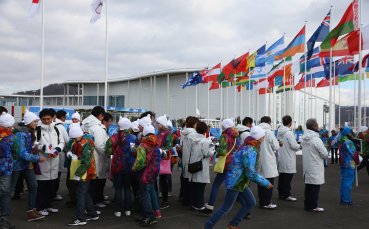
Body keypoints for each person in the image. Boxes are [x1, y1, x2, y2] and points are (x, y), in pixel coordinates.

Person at [204, 126, 273, 229]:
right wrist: (265, 183)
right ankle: (208, 226)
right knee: (226, 207)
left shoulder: (246, 146)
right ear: (258, 138)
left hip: (238, 180)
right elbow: (251, 172)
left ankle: (233, 224)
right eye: (263, 137)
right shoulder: (250, 150)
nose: (264, 139)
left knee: (250, 203)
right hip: (237, 181)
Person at [10, 111, 46, 221]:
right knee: (9, 190)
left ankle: (31, 211)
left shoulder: (28, 132)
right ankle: (3, 214)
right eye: (35, 121)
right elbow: (22, 153)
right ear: (29, 122)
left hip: (26, 165)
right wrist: (37, 158)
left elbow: (25, 150)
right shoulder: (21, 134)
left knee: (33, 186)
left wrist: (36, 149)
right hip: (17, 165)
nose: (36, 123)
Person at [66, 123, 99, 226]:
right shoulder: (77, 140)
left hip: (85, 172)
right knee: (84, 192)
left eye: (74, 138)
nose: (73, 140)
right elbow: (67, 147)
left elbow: (86, 162)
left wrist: (77, 174)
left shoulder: (86, 144)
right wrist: (69, 153)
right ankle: (92, 214)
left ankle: (80, 218)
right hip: (84, 171)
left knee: (80, 194)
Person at [35, 109, 65, 216]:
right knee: (42, 187)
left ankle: (48, 205)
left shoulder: (56, 129)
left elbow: (62, 142)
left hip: (54, 161)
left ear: (52, 118)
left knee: (51, 187)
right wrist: (44, 148)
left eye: (48, 118)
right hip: (43, 162)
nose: (47, 121)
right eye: (44, 119)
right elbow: (34, 144)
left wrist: (57, 149)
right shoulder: (37, 130)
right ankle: (40, 207)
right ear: (40, 119)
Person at [205, 119, 239, 212]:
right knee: (233, 185)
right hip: (234, 163)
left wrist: (217, 150)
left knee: (216, 185)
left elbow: (223, 151)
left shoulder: (224, 136)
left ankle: (210, 205)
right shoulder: (236, 136)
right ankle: (246, 208)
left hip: (225, 163)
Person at [106, 117, 136, 217]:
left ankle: (118, 211)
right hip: (129, 166)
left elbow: (108, 151)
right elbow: (134, 152)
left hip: (117, 166)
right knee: (127, 188)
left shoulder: (113, 137)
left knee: (118, 189)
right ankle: (128, 210)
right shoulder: (133, 138)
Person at [132, 124, 160, 226]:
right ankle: (145, 215)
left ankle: (150, 217)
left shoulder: (143, 145)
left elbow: (140, 161)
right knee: (145, 193)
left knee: (144, 195)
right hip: (154, 172)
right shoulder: (156, 143)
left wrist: (133, 168)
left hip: (145, 173)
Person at [82, 106, 109, 209]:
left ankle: (91, 203)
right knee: (94, 182)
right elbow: (99, 144)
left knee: (89, 183)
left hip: (86, 156)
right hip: (96, 157)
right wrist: (106, 153)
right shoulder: (97, 127)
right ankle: (93, 204)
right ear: (100, 116)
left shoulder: (84, 124)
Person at [301, 119, 328, 212]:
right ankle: (313, 206)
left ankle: (307, 205)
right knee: (315, 188)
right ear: (314, 127)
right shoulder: (316, 139)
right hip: (315, 166)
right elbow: (325, 154)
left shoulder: (303, 138)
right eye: (317, 125)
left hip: (307, 166)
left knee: (308, 187)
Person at [188, 122, 214, 214]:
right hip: (201, 166)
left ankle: (194, 204)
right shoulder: (206, 141)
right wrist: (213, 150)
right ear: (205, 130)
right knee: (200, 187)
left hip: (194, 164)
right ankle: (199, 206)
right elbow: (207, 153)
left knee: (195, 186)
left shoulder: (194, 140)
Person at [256, 116, 280, 209]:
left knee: (260, 181)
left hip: (258, 159)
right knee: (269, 182)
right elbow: (276, 147)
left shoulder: (256, 131)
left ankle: (262, 201)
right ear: (269, 122)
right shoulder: (269, 132)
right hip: (268, 160)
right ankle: (266, 203)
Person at [277, 115, 301, 202]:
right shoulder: (289, 133)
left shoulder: (279, 132)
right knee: (287, 178)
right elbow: (294, 146)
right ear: (290, 123)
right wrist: (300, 146)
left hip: (281, 156)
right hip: (289, 157)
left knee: (282, 177)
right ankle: (286, 194)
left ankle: (281, 194)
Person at [0, 112, 17, 229]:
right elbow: (16, 152)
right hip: (5, 168)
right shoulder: (11, 137)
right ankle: (3, 220)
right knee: (5, 193)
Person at [156, 115, 175, 210]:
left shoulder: (167, 134)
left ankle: (165, 200)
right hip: (159, 158)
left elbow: (169, 147)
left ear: (163, 124)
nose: (156, 124)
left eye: (158, 123)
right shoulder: (159, 133)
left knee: (163, 179)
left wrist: (160, 150)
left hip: (164, 159)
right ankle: (162, 199)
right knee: (161, 180)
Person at [180, 116, 199, 207]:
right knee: (192, 182)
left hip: (185, 159)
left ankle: (185, 199)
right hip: (192, 160)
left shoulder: (185, 133)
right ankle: (190, 201)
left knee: (186, 181)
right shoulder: (194, 135)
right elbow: (196, 149)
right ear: (194, 124)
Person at [338, 127, 359, 206]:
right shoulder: (348, 141)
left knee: (343, 182)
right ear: (349, 133)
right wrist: (357, 160)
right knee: (348, 183)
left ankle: (343, 199)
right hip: (350, 163)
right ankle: (346, 200)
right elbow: (353, 153)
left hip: (343, 163)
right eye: (351, 131)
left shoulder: (342, 139)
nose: (352, 132)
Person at [54, 110, 70, 201]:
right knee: (58, 173)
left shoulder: (53, 124)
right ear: (62, 117)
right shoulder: (61, 126)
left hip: (51, 151)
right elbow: (67, 140)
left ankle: (52, 193)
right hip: (59, 151)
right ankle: (54, 193)